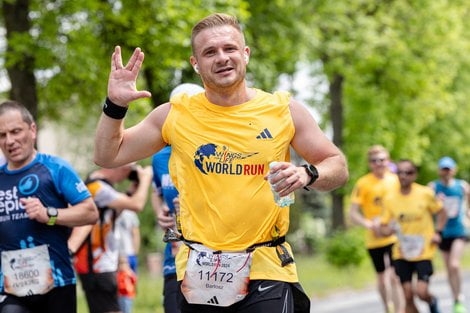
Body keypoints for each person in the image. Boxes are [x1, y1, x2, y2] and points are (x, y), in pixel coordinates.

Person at [94, 13, 348, 313]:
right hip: (200, 271)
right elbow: (107, 155)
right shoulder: (175, 114)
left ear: (245, 54)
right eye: (210, 52)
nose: (222, 58)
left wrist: (308, 173)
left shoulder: (283, 110)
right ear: (195, 64)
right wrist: (116, 106)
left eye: (229, 48)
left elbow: (337, 165)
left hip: (265, 267)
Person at [0, 100, 99, 313]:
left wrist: (49, 214)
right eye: (2, 135)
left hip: (57, 281)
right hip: (11, 286)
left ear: (32, 130)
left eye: (16, 131)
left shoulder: (55, 168)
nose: (10, 141)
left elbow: (90, 212)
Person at [151, 83, 204, 313]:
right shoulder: (160, 157)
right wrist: (160, 213)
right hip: (174, 259)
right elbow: (158, 192)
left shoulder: (214, 151)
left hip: (212, 260)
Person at [73, 164, 152, 313]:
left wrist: (130, 192)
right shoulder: (96, 187)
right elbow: (137, 205)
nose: (125, 176)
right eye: (127, 171)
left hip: (100, 265)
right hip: (96, 266)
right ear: (117, 167)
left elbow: (110, 216)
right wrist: (146, 178)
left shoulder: (100, 186)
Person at [380, 160, 447, 313]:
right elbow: (383, 227)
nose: (404, 176)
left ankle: (433, 302)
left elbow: (442, 212)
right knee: (408, 295)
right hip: (401, 252)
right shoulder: (390, 198)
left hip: (424, 250)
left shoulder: (425, 193)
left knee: (421, 292)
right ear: (396, 174)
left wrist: (438, 232)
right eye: (400, 172)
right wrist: (387, 230)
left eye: (408, 172)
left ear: (414, 175)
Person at [349, 145, 404, 313]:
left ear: (387, 161)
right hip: (374, 237)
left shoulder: (395, 180)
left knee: (395, 277)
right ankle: (388, 307)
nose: (378, 163)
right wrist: (368, 224)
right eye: (374, 161)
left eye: (382, 160)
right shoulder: (363, 183)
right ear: (369, 164)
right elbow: (352, 213)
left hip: (394, 235)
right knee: (382, 277)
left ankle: (400, 310)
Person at [428, 156, 469, 313]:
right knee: (448, 268)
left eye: (449, 169)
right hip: (442, 232)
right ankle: (455, 300)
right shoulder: (433, 187)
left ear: (454, 170)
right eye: (443, 169)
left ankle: (459, 298)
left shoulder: (462, 186)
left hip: (459, 230)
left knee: (454, 264)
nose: (446, 172)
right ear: (439, 170)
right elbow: (427, 207)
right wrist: (435, 201)